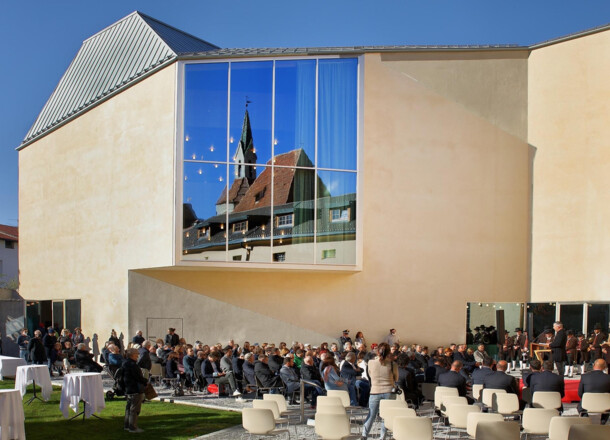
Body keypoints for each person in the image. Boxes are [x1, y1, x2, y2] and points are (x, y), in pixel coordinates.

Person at [362, 342, 398, 439]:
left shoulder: (370, 362)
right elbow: (396, 378)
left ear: (378, 351)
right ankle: (382, 437)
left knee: (371, 415)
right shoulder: (392, 364)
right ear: (389, 352)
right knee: (385, 416)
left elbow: (369, 375)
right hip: (389, 391)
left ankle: (364, 435)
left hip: (375, 391)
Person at [122, 348, 148, 433]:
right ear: (133, 355)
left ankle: (127, 425)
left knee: (129, 408)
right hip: (134, 388)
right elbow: (138, 377)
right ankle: (133, 427)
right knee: (134, 408)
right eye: (137, 354)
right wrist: (145, 381)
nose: (138, 355)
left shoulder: (125, 363)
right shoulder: (133, 365)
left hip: (128, 388)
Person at [577, 359, 610, 423]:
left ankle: (586, 419)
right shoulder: (608, 378)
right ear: (604, 367)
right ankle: (603, 422)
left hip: (587, 403)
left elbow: (580, 393)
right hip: (605, 404)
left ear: (594, 366)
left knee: (580, 406)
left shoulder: (584, 377)